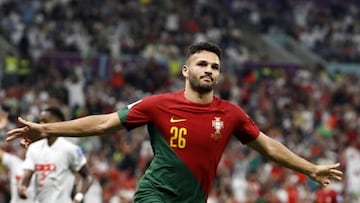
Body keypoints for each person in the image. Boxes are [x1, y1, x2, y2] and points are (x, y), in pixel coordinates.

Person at [6, 42, 343, 202]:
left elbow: (268, 146)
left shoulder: (230, 114)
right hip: (156, 195)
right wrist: (46, 129)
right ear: (186, 70)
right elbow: (101, 124)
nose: (209, 70)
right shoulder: (159, 105)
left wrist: (310, 169)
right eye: (202, 64)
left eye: (214, 67)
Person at [17, 107, 93, 203]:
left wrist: (78, 198)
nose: (41, 125)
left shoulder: (70, 149)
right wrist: (22, 187)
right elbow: (27, 175)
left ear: (58, 123)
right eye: (40, 121)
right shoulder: (34, 148)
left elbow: (88, 177)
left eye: (45, 121)